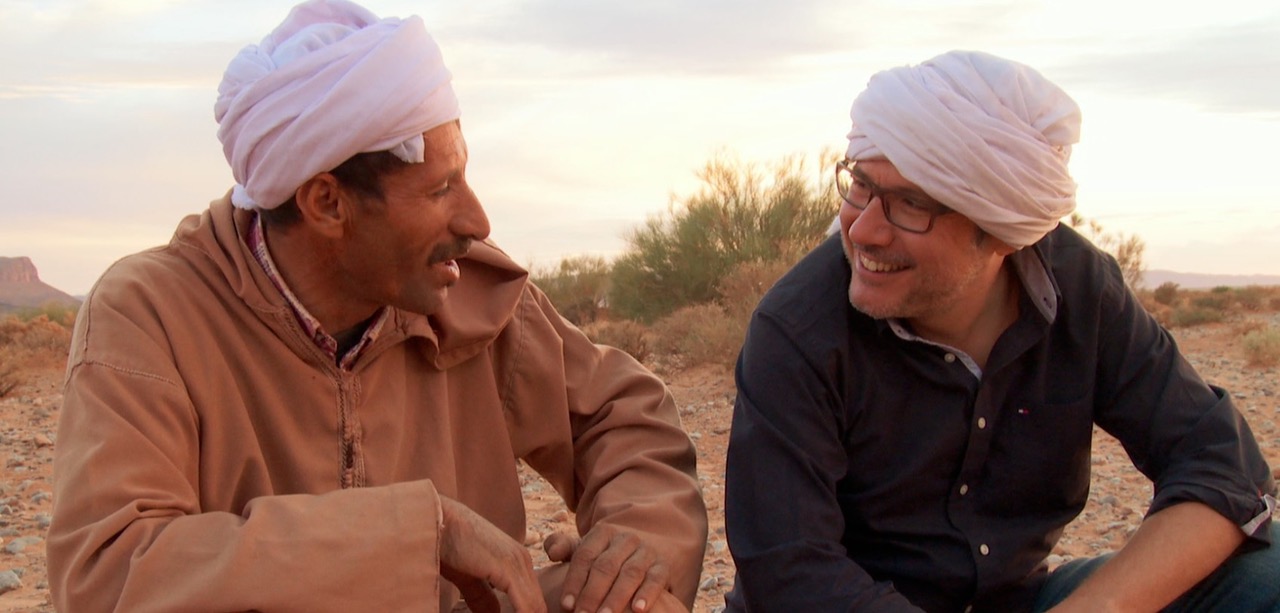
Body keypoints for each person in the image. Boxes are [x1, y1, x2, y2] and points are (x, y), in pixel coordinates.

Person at [47, 1, 707, 611]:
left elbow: (621, 416)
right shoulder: (149, 315)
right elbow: (109, 574)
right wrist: (424, 533)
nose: (476, 218)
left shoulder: (468, 287)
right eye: (441, 187)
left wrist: (638, 537)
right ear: (327, 202)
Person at [723, 50, 1278, 612]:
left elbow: (1220, 466)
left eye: (910, 204)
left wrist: (1100, 608)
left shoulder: (1079, 289)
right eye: (860, 185)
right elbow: (790, 572)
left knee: (1266, 574)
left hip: (1019, 602)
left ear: (1005, 233)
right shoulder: (797, 329)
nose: (863, 228)